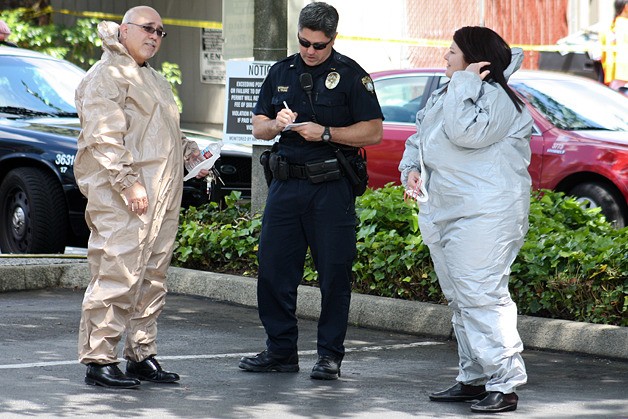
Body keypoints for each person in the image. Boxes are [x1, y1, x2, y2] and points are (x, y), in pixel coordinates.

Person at [238, 2, 383, 380]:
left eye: (318, 45)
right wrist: (276, 124)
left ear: (333, 39)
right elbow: (257, 126)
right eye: (304, 42)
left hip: (331, 188)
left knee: (334, 274)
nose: (310, 51)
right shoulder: (281, 71)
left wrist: (327, 133)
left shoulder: (352, 76)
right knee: (272, 271)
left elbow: (373, 131)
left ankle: (329, 356)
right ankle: (280, 351)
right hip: (286, 185)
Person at [74, 6, 209, 389]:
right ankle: (99, 359)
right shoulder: (107, 75)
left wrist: (189, 150)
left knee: (151, 276)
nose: (155, 36)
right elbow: (104, 138)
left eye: (160, 31)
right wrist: (128, 183)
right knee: (117, 271)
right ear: (124, 30)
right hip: (123, 196)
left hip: (161, 193)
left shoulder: (151, 78)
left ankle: (141, 353)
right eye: (148, 28)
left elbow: (160, 132)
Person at [399, 26, 532, 413]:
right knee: (461, 298)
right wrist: (411, 167)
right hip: (445, 208)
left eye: (453, 52)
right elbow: (421, 138)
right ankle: (474, 377)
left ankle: (504, 383)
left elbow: (464, 134)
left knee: (481, 295)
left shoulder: (499, 99)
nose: (445, 57)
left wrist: (463, 83)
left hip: (486, 211)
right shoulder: (451, 94)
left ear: (474, 60)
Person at [600, 1, 628, 91]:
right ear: (626, 7)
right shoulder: (623, 25)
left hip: (613, 74)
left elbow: (597, 54)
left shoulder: (610, 26)